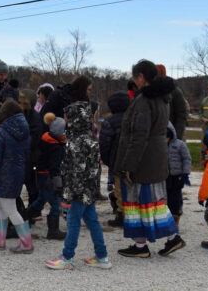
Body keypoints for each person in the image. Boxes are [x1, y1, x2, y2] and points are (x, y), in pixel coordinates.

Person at [114, 59, 185, 258]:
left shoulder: (145, 100)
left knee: (140, 202)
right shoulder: (162, 97)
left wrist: (128, 165)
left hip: (144, 161)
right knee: (154, 202)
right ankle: (152, 243)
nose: (133, 81)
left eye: (134, 77)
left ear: (141, 77)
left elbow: (139, 136)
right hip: (156, 157)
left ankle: (154, 243)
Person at [45, 76, 111, 270]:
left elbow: (74, 168)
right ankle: (102, 256)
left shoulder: (75, 140)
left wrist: (71, 190)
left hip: (79, 187)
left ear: (72, 117)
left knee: (74, 219)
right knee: (91, 219)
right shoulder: (89, 137)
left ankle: (67, 257)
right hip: (89, 185)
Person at [0, 99, 33, 253]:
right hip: (16, 172)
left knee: (10, 209)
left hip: (2, 174)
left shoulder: (0, 132)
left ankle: (26, 243)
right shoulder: (25, 131)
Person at [26, 113, 67, 240]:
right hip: (49, 177)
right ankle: (53, 231)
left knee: (41, 199)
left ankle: (23, 218)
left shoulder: (46, 140)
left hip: (41, 175)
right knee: (55, 204)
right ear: (59, 132)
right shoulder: (56, 148)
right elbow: (55, 168)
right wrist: (58, 184)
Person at [99, 91, 131, 227]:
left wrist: (108, 161)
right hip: (134, 160)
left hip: (117, 161)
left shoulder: (109, 122)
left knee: (119, 190)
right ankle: (133, 213)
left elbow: (104, 144)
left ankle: (122, 216)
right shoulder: (133, 118)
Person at [166, 122, 192, 227]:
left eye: (167, 137)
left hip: (177, 176)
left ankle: (176, 215)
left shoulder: (180, 144)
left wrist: (185, 173)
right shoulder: (159, 145)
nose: (165, 139)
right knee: (165, 195)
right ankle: (167, 215)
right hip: (164, 176)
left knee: (175, 196)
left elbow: (187, 158)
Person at [157, 64, 188, 141]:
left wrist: (176, 137)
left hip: (171, 133)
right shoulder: (154, 91)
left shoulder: (175, 91)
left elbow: (181, 114)